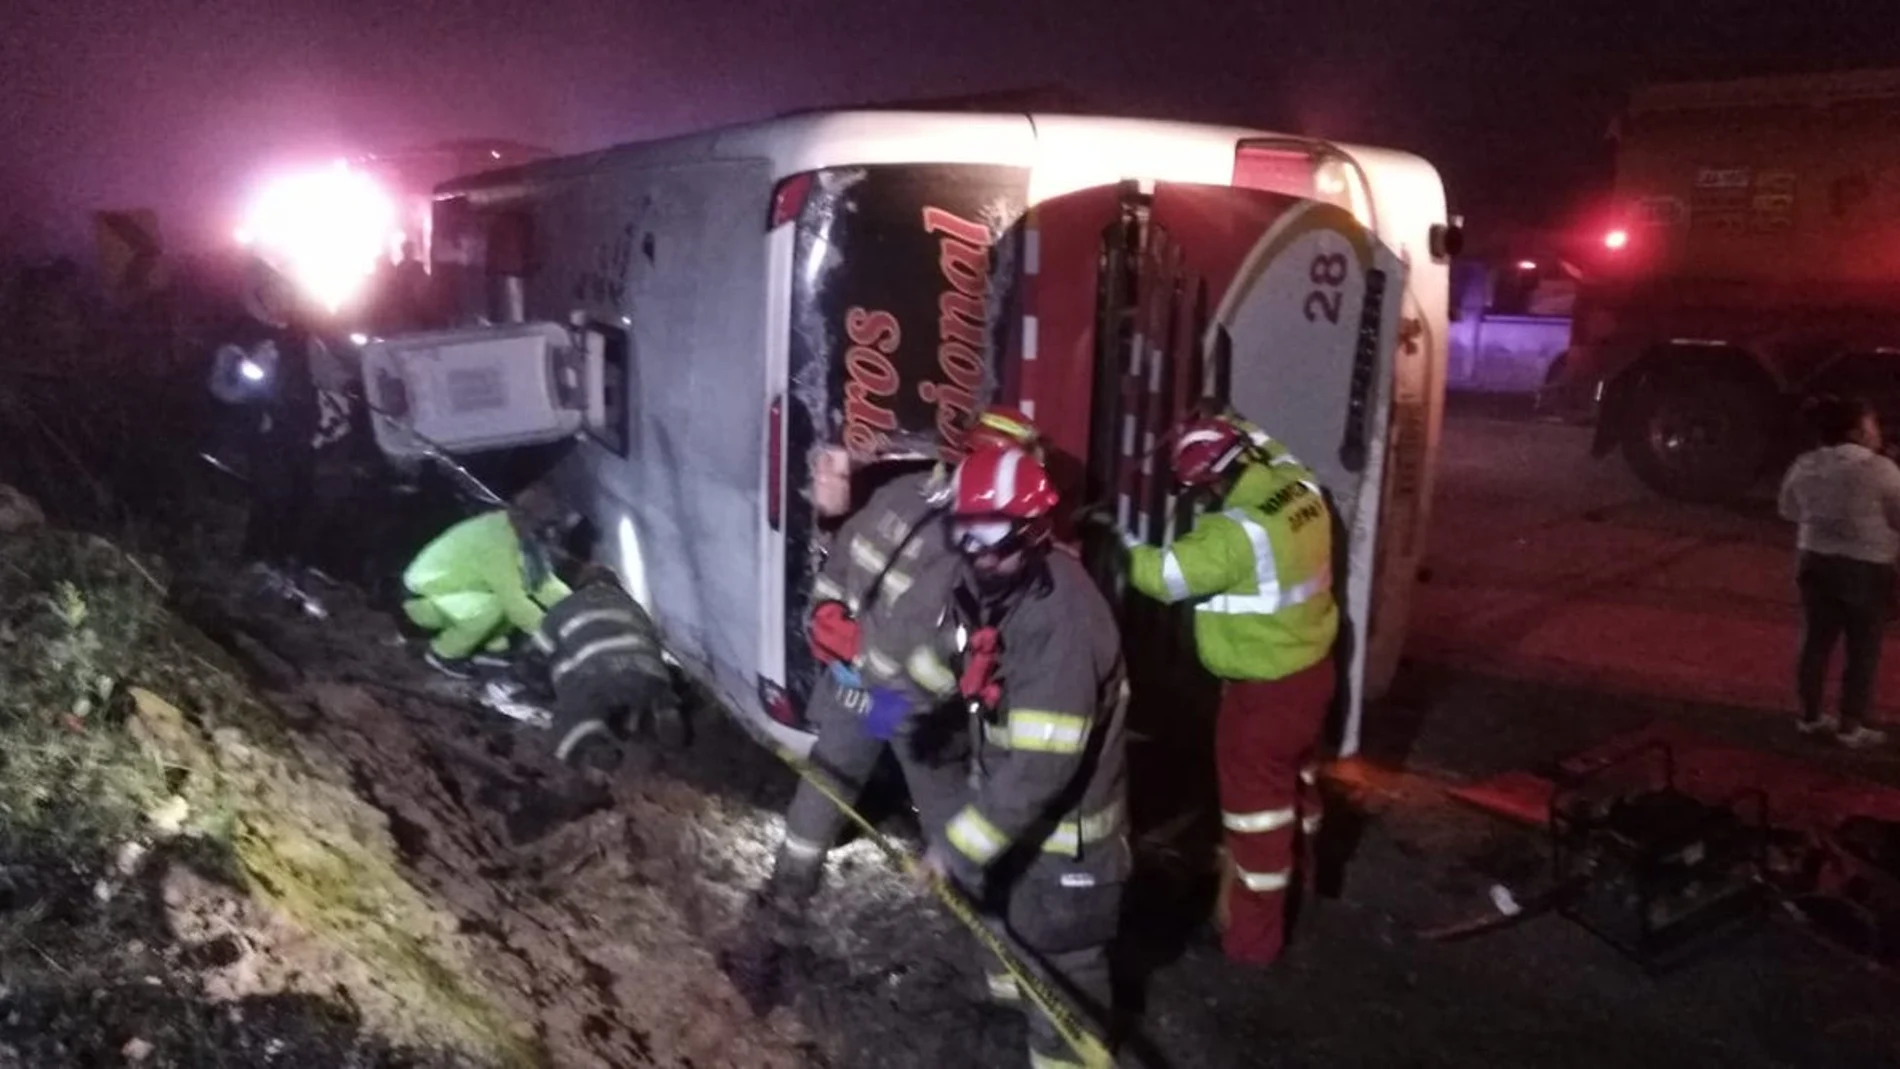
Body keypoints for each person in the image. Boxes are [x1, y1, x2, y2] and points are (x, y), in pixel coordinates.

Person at [763, 406, 1047, 909]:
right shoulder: (970, 538)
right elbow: (927, 632)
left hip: (853, 682)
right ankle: (976, 915)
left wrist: (829, 625)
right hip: (899, 695)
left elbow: (837, 567)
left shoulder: (901, 491)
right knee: (942, 796)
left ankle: (789, 886)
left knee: (831, 778)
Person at [905, 444, 1129, 1069]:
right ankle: (1012, 1015)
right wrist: (894, 707)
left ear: (1034, 532)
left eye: (994, 535)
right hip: (1020, 836)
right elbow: (939, 658)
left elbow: (1038, 771)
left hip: (1068, 855)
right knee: (1016, 940)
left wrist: (955, 847)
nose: (978, 552)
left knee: (1066, 986)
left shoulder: (1064, 623)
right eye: (966, 534)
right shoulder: (992, 585)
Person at [1110, 412, 1337, 966]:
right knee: (1298, 790)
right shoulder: (1296, 483)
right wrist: (1224, 421)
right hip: (1312, 676)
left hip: (1260, 699)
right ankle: (1309, 877)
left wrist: (1113, 541)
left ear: (1209, 481)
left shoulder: (1232, 535)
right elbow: (1270, 441)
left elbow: (1163, 577)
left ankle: (1251, 944)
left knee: (1256, 823)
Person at [208, 257, 360, 612]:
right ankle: (258, 562)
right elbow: (222, 388)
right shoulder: (241, 336)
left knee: (302, 496)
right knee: (271, 497)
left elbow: (326, 373)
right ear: (260, 294)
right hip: (265, 433)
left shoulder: (299, 333)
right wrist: (251, 379)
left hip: (301, 430)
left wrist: (350, 376)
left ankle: (291, 564)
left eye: (287, 292)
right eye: (277, 292)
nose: (284, 299)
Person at [1778, 395, 1899, 749]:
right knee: (1863, 648)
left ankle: (1811, 717)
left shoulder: (1806, 464)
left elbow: (1788, 508)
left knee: (1816, 642)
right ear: (1857, 432)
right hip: (1867, 566)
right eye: (1872, 425)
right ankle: (1851, 724)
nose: (1878, 432)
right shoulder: (1880, 469)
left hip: (1814, 560)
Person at [401, 486, 574, 676]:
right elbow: (513, 602)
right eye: (545, 525)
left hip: (453, 592)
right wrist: (553, 639)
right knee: (497, 607)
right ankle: (443, 654)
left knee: (507, 602)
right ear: (527, 518)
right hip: (423, 601)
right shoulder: (495, 543)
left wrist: (574, 606)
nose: (548, 533)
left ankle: (490, 649)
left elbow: (539, 582)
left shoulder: (512, 532)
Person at [529, 561, 685, 770]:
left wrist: (540, 684)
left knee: (572, 716)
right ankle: (664, 709)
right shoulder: (633, 606)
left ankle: (593, 752)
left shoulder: (565, 607)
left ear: (580, 586)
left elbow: (539, 651)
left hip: (596, 676)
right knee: (651, 686)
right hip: (648, 672)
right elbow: (654, 646)